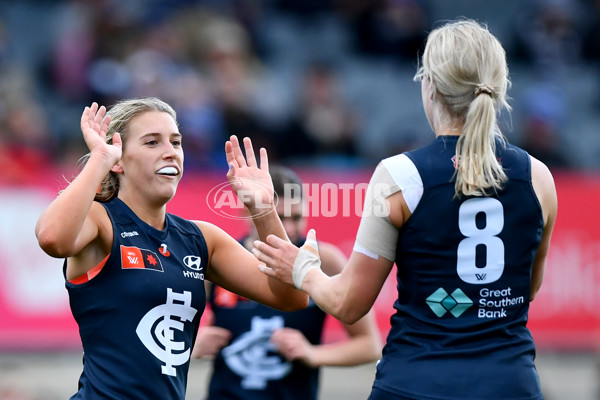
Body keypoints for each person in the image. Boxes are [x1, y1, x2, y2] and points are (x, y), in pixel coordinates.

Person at [252, 19, 558, 400]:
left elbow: (348, 304)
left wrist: (302, 270)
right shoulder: (538, 178)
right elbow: (526, 289)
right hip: (511, 384)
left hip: (416, 383)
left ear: (430, 87)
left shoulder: (398, 176)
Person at [34, 98, 307, 400]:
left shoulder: (201, 238)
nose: (170, 152)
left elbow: (292, 297)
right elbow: (52, 238)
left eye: (176, 143)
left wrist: (264, 209)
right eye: (152, 142)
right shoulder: (102, 220)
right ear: (119, 160)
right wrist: (99, 160)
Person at [191, 165, 382, 399]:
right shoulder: (222, 258)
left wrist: (313, 354)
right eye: (279, 217)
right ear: (247, 211)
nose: (289, 229)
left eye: (297, 217)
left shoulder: (325, 260)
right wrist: (192, 344)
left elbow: (369, 344)